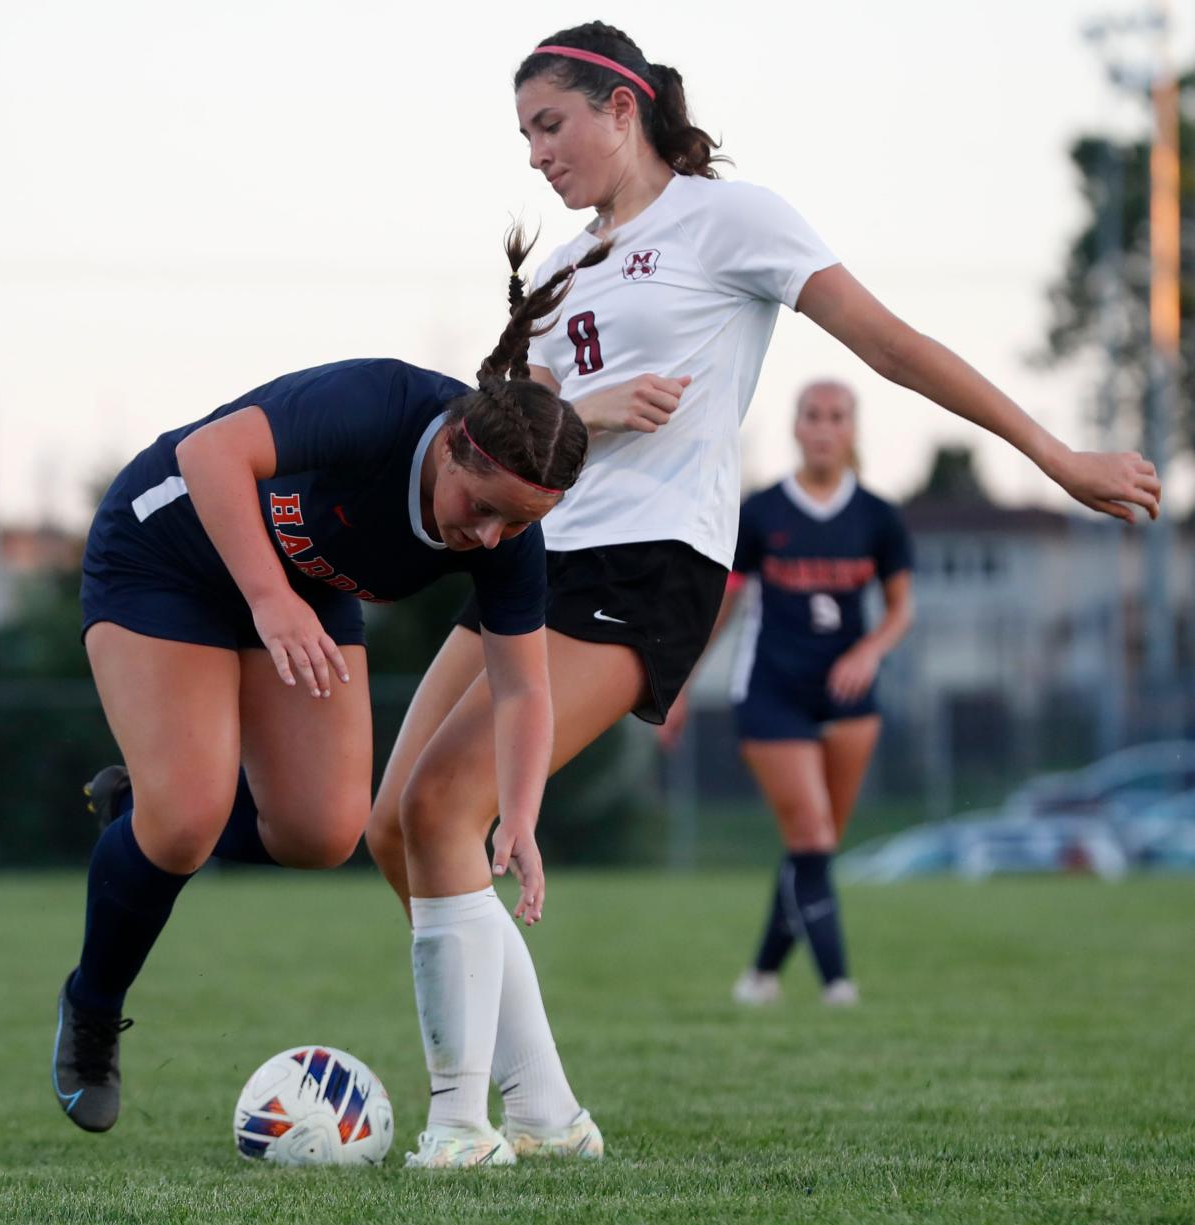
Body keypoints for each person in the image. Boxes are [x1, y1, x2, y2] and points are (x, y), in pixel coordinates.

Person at [362, 22, 1161, 1165]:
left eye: (551, 124)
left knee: (447, 805)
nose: (536, 154)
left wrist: (1054, 454)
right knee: (393, 825)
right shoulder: (554, 269)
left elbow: (889, 345)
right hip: (534, 558)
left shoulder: (728, 217)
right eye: (524, 134)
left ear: (621, 108)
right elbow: (515, 438)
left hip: (650, 562)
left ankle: (461, 1125)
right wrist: (592, 410)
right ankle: (542, 1110)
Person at [51, 230, 606, 1169]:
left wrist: (519, 815)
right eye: (481, 503)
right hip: (167, 553)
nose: (489, 532)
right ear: (458, 443)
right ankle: (93, 1009)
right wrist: (269, 601)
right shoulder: (379, 404)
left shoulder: (509, 533)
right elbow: (212, 455)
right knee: (188, 819)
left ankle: (138, 813)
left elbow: (522, 688)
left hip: (298, 592)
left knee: (321, 831)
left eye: (518, 521)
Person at [663, 379, 913, 1006]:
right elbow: (723, 607)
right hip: (772, 692)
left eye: (837, 416)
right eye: (812, 416)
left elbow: (901, 611)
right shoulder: (764, 512)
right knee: (812, 838)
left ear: (853, 429)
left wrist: (868, 650)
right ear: (796, 428)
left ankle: (761, 976)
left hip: (850, 696)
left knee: (816, 843)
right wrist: (679, 684)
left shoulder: (879, 517)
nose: (824, 427)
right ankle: (838, 985)